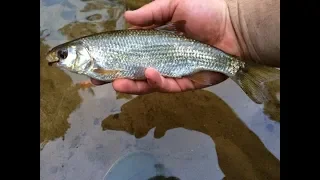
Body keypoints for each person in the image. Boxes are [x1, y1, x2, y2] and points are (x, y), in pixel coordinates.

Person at [91, 0, 280, 95]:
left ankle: (241, 70)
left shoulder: (99, 68)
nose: (60, 59)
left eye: (63, 55)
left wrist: (235, 22)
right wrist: (237, 21)